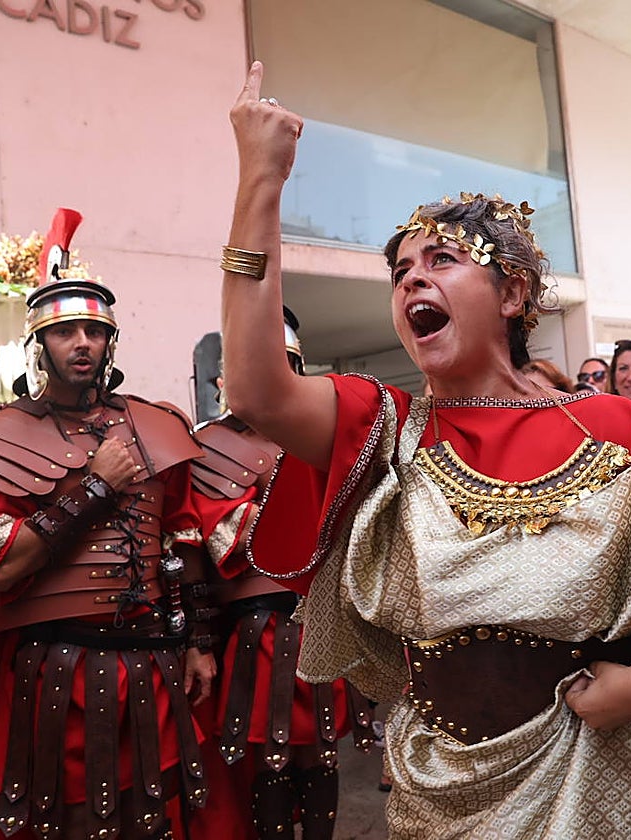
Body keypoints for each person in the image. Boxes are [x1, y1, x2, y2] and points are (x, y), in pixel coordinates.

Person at [217, 62, 631, 839]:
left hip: (621, 765)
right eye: (399, 273)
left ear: (515, 294)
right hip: (442, 780)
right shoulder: (388, 426)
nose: (410, 282)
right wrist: (260, 179)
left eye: (440, 261)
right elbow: (257, 391)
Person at [0, 209, 212, 839]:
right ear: (39, 344)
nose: (82, 344)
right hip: (58, 674)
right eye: (66, 331)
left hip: (155, 664)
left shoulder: (159, 426)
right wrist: (95, 488)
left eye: (94, 332)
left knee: (158, 821)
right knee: (67, 824)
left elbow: (183, 537)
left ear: (111, 343)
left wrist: (200, 640)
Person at [191, 311, 373, 840]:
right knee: (266, 765)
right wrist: (293, 500)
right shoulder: (207, 448)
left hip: (327, 622)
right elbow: (228, 538)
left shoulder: (324, 438)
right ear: (229, 381)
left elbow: (357, 530)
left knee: (322, 760)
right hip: (258, 629)